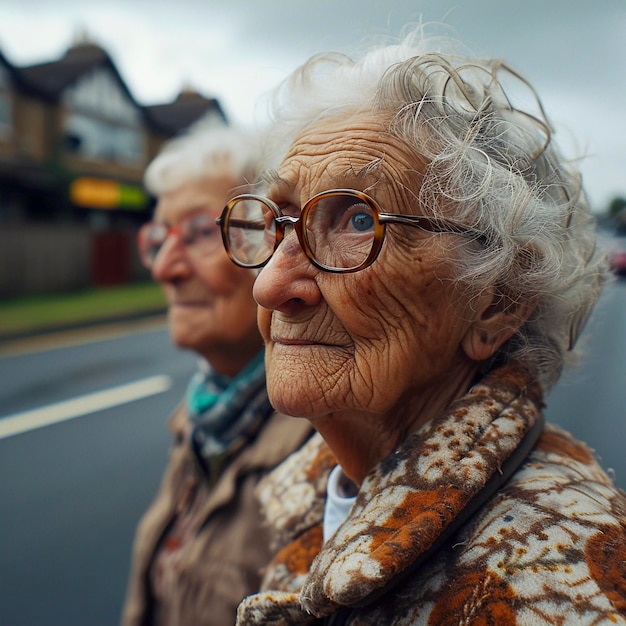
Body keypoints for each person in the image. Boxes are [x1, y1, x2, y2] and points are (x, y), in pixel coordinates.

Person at [216, 29, 626, 625]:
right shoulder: (324, 491)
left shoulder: (553, 590)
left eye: (357, 220)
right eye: (278, 222)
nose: (270, 286)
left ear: (499, 300)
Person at [120, 121, 313, 626]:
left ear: (279, 245)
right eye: (159, 237)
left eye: (203, 232)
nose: (165, 267)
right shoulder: (203, 422)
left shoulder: (331, 449)